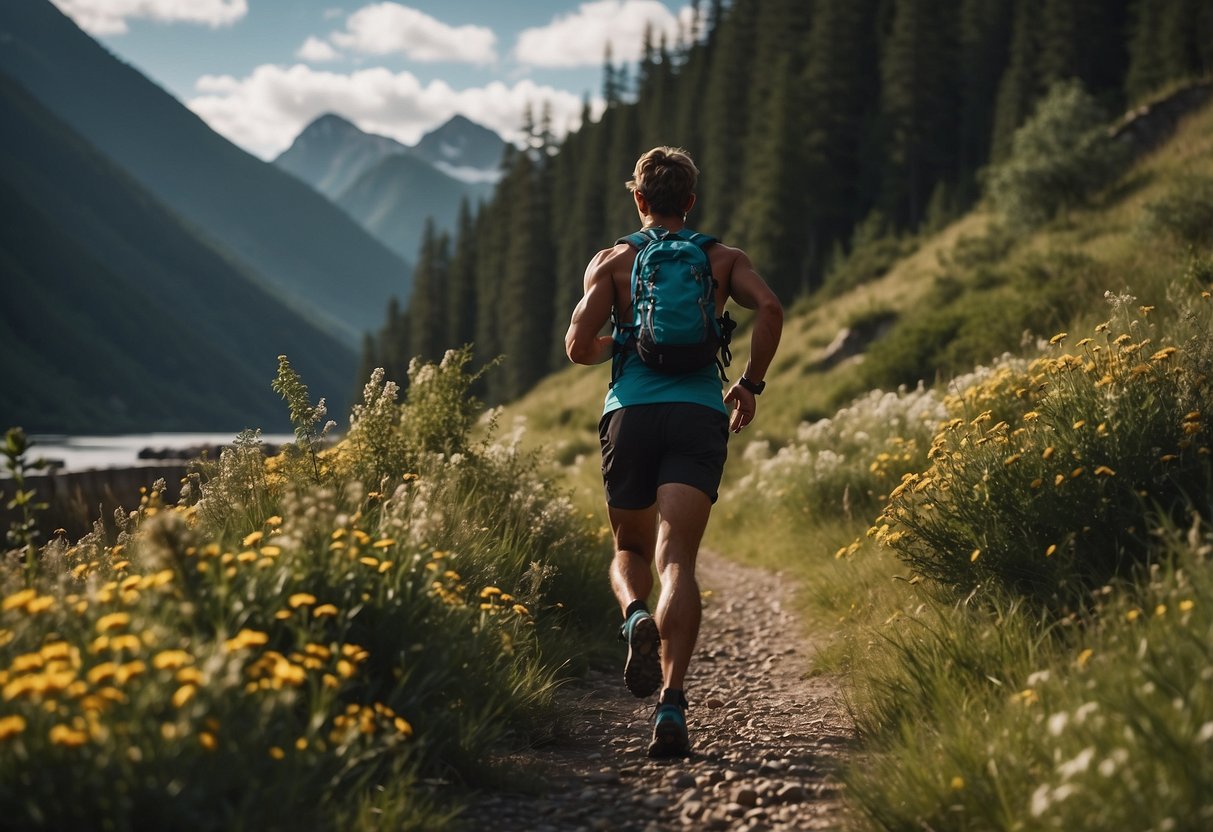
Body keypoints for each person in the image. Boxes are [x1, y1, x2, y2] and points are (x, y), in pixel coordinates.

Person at [564, 146, 783, 757]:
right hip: (697, 415)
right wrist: (749, 384)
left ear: (638, 199)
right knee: (678, 561)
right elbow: (769, 308)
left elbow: (578, 347)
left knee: (629, 547)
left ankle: (634, 614)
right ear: (690, 201)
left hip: (629, 415)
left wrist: (625, 342)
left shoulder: (611, 263)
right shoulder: (722, 258)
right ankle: (671, 706)